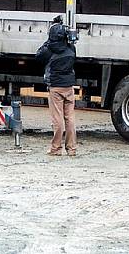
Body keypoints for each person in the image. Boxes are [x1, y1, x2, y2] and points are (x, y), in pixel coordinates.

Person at [36, 15, 77, 156]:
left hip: (55, 87)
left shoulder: (49, 50)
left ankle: (56, 148)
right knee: (70, 118)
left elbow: (38, 56)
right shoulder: (71, 48)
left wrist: (48, 41)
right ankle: (71, 149)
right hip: (69, 87)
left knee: (57, 119)